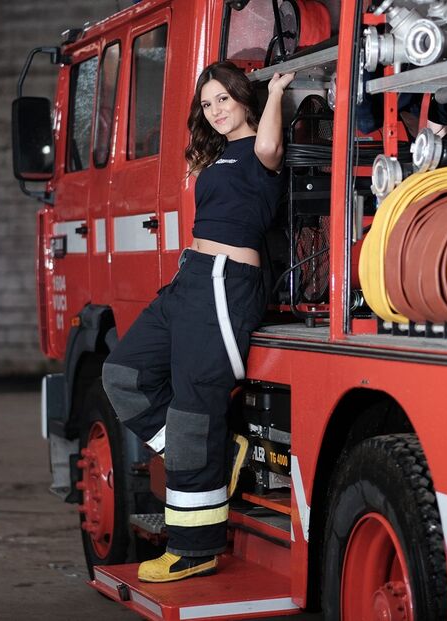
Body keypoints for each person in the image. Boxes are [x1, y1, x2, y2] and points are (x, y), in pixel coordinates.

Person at [102, 61, 293, 583]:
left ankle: (194, 548)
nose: (215, 111)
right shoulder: (220, 157)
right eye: (207, 105)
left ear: (243, 99)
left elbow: (273, 148)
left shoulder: (258, 152)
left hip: (224, 283)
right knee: (123, 374)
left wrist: (274, 93)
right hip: (190, 279)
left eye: (224, 100)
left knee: (191, 415)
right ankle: (215, 446)